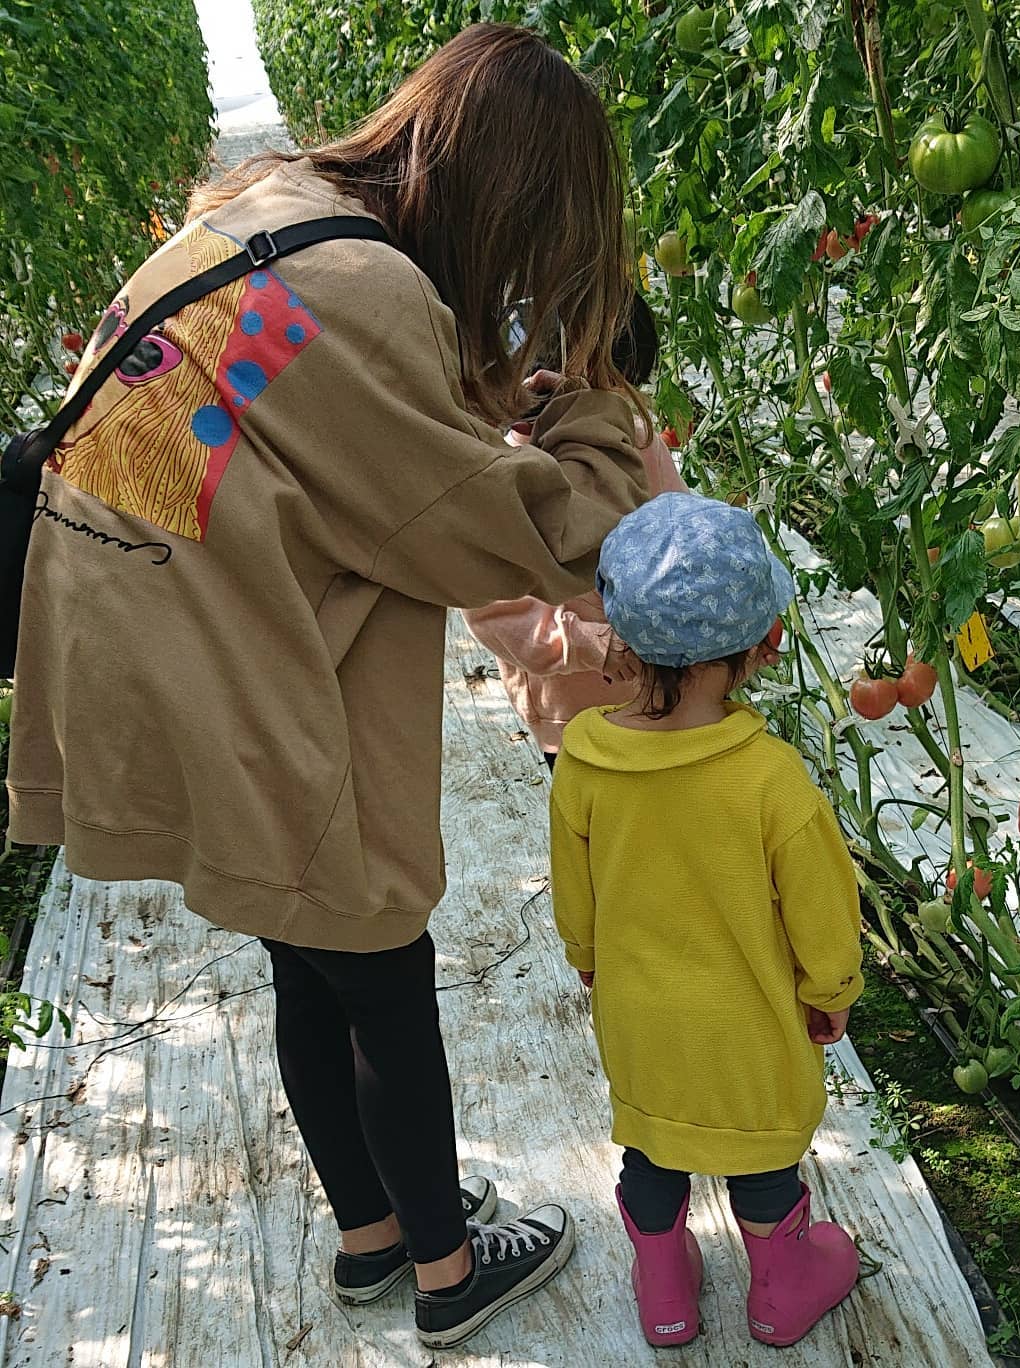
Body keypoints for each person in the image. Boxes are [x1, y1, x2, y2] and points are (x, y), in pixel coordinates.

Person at [8, 24, 650, 1351]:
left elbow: (293, 406)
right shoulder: (371, 290)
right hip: (211, 637)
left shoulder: (268, 207)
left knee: (306, 941)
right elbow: (503, 529)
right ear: (513, 201)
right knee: (376, 951)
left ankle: (372, 1235)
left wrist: (469, 392)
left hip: (136, 605)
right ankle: (448, 1270)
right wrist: (599, 426)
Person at [548, 493, 865, 1349]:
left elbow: (573, 891)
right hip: (750, 1026)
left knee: (652, 1149)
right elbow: (822, 912)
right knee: (762, 1155)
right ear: (763, 645)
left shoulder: (584, 757)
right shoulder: (769, 780)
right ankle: (780, 1288)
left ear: (620, 632)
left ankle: (665, 1289)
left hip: (641, 1019)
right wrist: (830, 989)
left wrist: (587, 955)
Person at [463, 294, 687, 770]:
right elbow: (493, 609)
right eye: (607, 390)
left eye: (624, 391)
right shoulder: (504, 474)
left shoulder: (638, 442)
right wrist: (591, 642)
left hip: (653, 688)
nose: (622, 407)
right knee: (593, 825)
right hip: (570, 710)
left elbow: (680, 528)